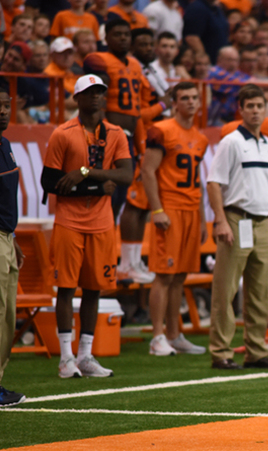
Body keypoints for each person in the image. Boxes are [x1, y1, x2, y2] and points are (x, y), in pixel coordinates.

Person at [41, 75, 133, 378]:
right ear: (77, 98)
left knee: (95, 288)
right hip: (69, 220)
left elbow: (125, 176)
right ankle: (66, 357)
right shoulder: (62, 134)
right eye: (89, 93)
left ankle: (85, 355)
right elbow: (50, 182)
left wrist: (84, 172)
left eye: (100, 93)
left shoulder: (117, 133)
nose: (95, 97)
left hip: (102, 222)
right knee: (67, 287)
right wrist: (97, 185)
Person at [206, 84, 268, 370]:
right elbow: (214, 183)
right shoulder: (230, 142)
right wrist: (220, 220)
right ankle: (221, 352)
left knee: (261, 290)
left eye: (259, 106)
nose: (255, 111)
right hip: (236, 218)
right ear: (241, 109)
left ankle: (256, 350)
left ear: (266, 110)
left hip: (264, 222)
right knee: (226, 288)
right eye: (250, 106)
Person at [84, 19, 167, 283]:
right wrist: (102, 134)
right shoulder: (100, 60)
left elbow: (137, 114)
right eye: (116, 34)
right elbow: (97, 101)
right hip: (109, 137)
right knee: (105, 200)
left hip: (129, 138)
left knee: (119, 201)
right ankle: (99, 261)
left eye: (125, 35)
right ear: (106, 37)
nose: (122, 39)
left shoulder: (133, 64)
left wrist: (140, 148)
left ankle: (115, 262)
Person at [142, 82, 209, 356]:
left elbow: (199, 183)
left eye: (194, 97)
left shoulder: (200, 137)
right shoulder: (162, 130)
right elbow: (147, 171)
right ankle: (157, 335)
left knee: (180, 276)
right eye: (185, 98)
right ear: (175, 102)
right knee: (164, 275)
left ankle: (174, 333)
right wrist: (157, 210)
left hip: (191, 209)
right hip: (170, 208)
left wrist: (203, 218)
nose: (191, 102)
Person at [0, 86, 25, 407]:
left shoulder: (6, 144)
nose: (2, 111)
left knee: (8, 314)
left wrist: (12, 240)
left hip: (5, 237)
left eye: (6, 105)